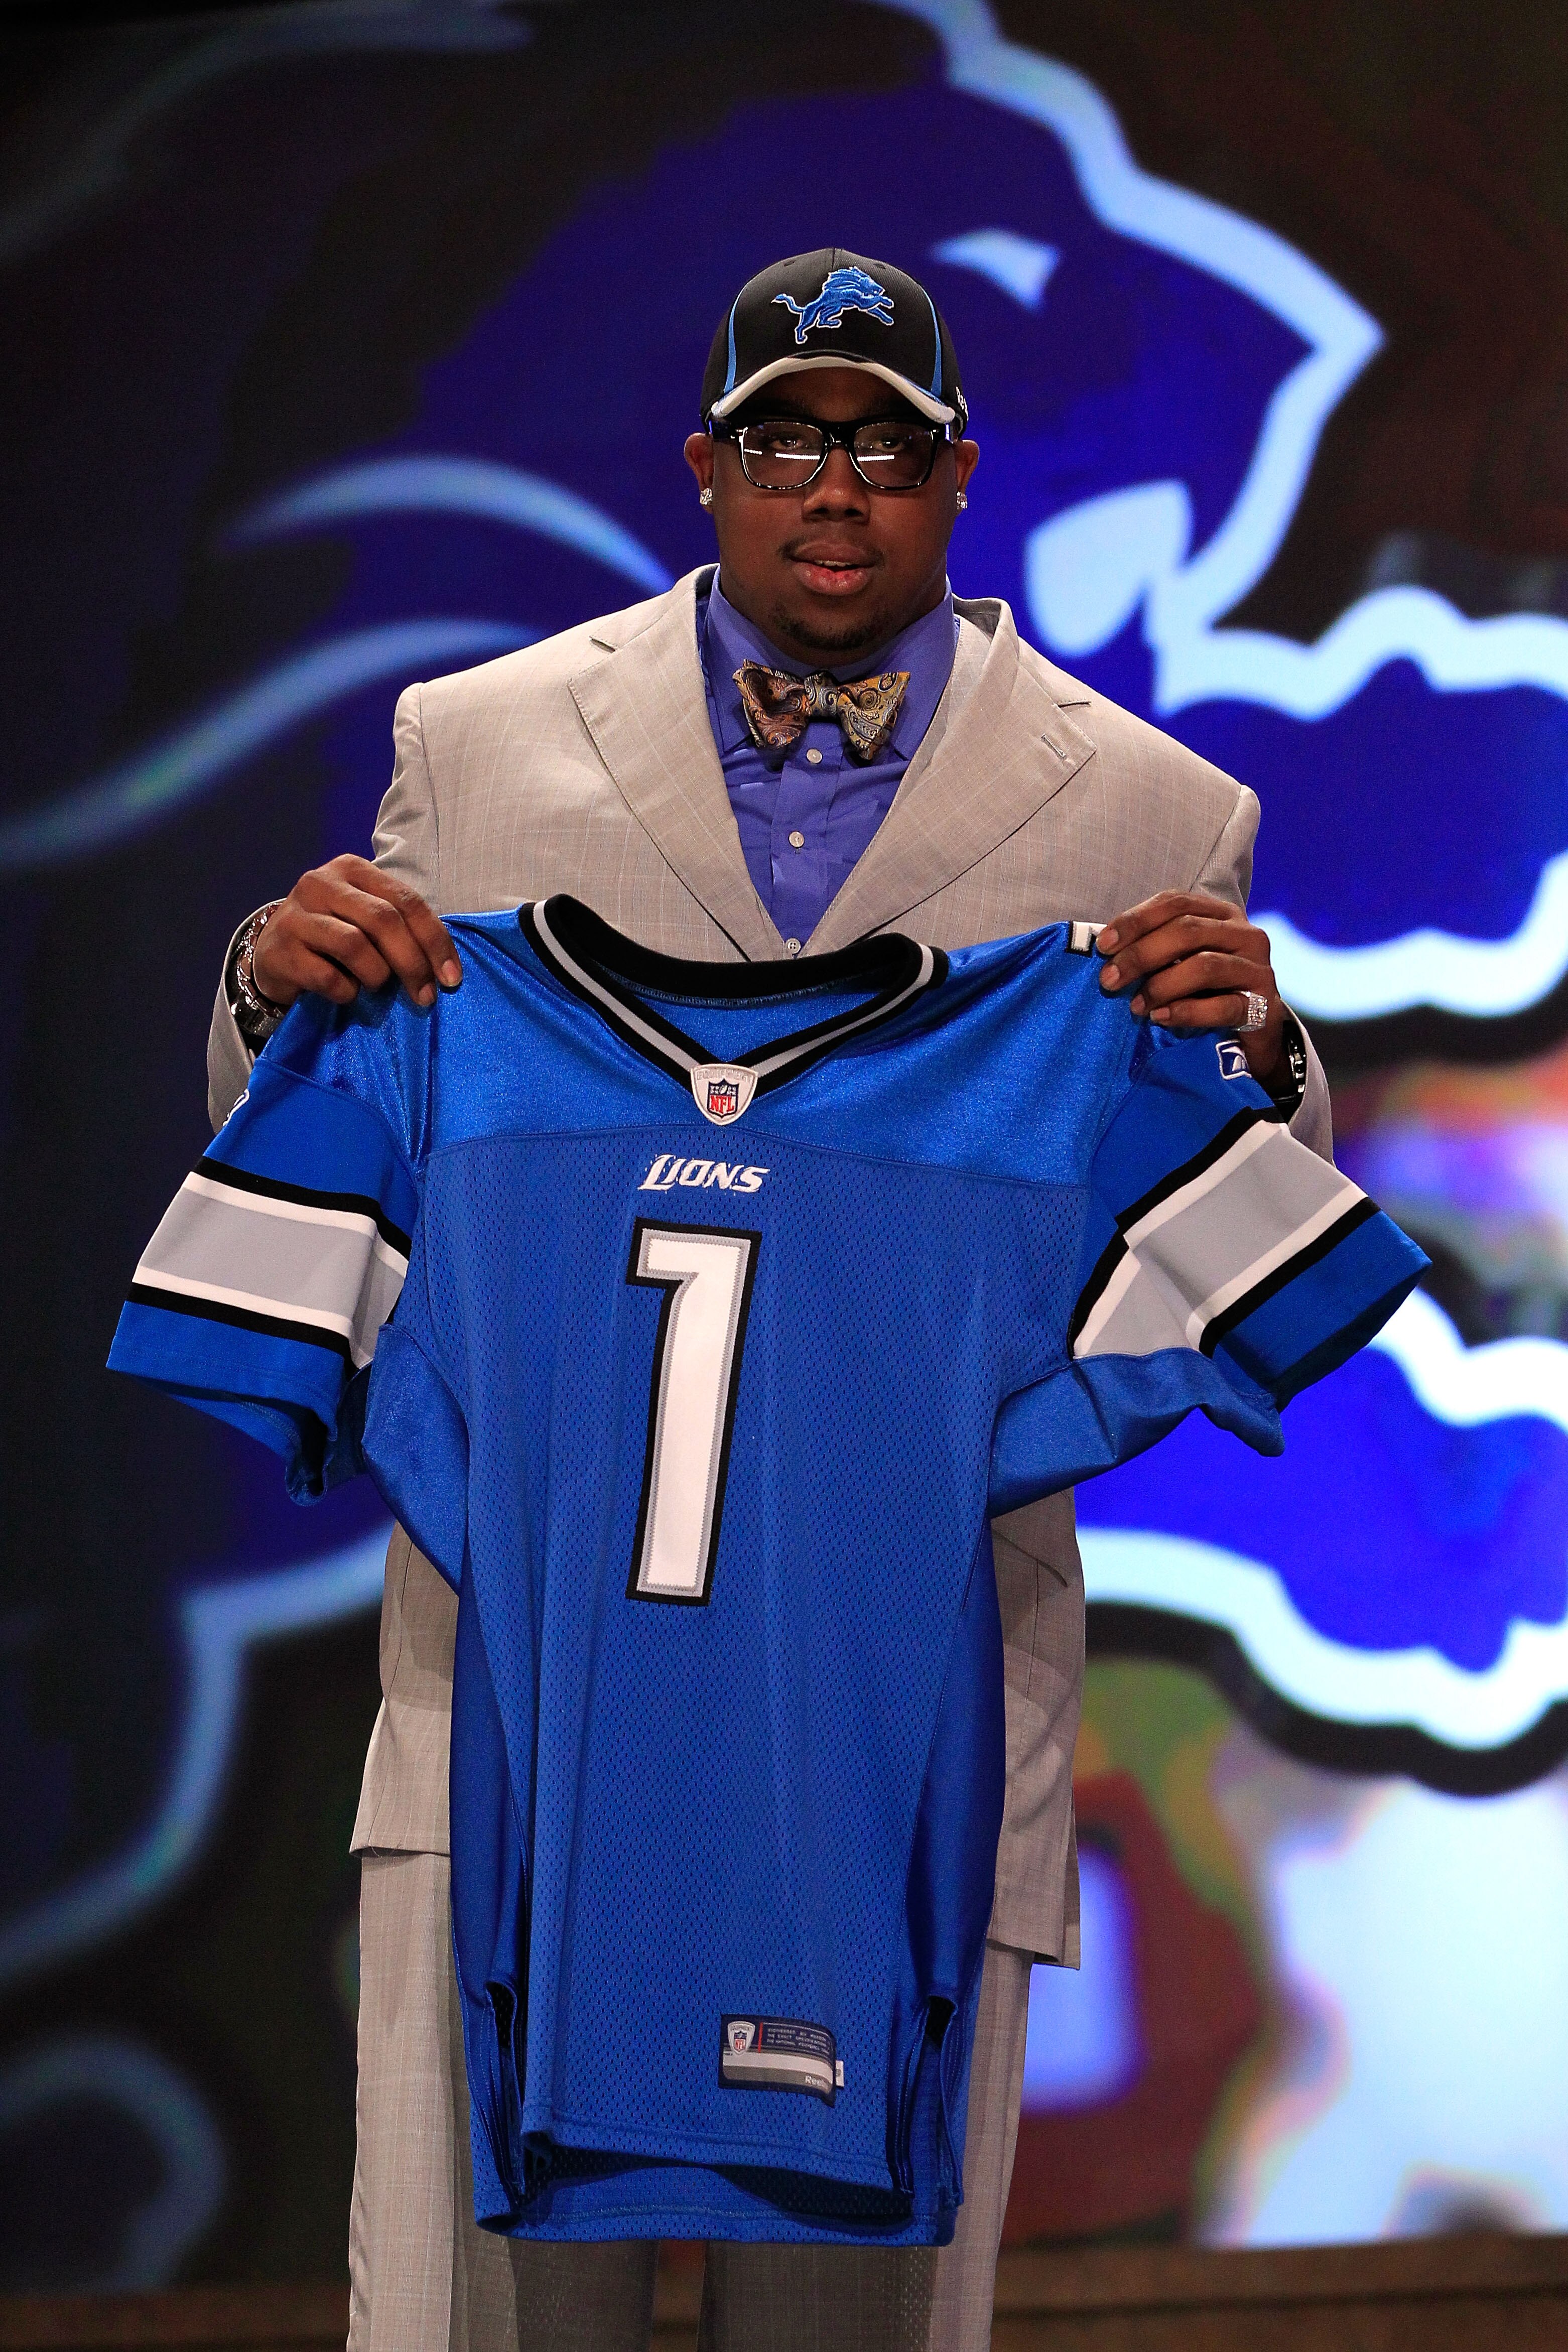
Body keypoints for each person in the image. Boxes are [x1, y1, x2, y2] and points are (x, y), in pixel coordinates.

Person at [207, 250, 1331, 2352]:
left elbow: (1214, 1189)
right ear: (709, 467)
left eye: (889, 448)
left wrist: (1265, 1058)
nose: (840, 490)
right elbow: (323, 1111)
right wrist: (276, 979)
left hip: (896, 1696)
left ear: (960, 477)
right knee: (470, 2321)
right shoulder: (477, 739)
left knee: (865, 2324)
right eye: (794, 442)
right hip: (525, 1691)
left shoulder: (1151, 807)